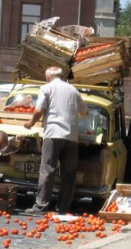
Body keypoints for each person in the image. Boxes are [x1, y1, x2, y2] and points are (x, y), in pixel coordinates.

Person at [24, 66, 89, 214]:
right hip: (71, 137)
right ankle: (63, 207)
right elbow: (85, 112)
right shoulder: (73, 90)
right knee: (69, 173)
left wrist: (30, 123)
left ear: (48, 77)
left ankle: (41, 206)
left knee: (47, 170)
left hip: (53, 134)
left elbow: (39, 110)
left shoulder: (47, 88)